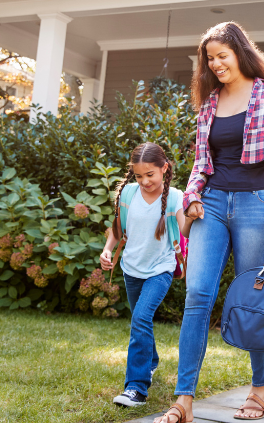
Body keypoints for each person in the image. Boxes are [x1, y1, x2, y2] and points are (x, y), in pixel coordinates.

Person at [153, 21, 264, 423]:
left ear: (239, 52)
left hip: (258, 202)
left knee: (255, 299)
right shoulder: (208, 104)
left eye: (222, 55)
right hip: (213, 204)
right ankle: (183, 399)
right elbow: (201, 163)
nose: (216, 64)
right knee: (198, 296)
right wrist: (193, 197)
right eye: (209, 58)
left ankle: (260, 389)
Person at [100, 142, 192, 407]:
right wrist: (108, 250)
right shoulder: (129, 193)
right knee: (141, 321)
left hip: (160, 270)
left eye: (150, 175)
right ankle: (150, 361)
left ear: (164, 168)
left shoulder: (175, 197)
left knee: (140, 318)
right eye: (139, 176)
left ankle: (136, 388)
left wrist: (191, 211)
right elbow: (117, 228)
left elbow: (185, 230)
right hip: (131, 268)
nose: (144, 181)